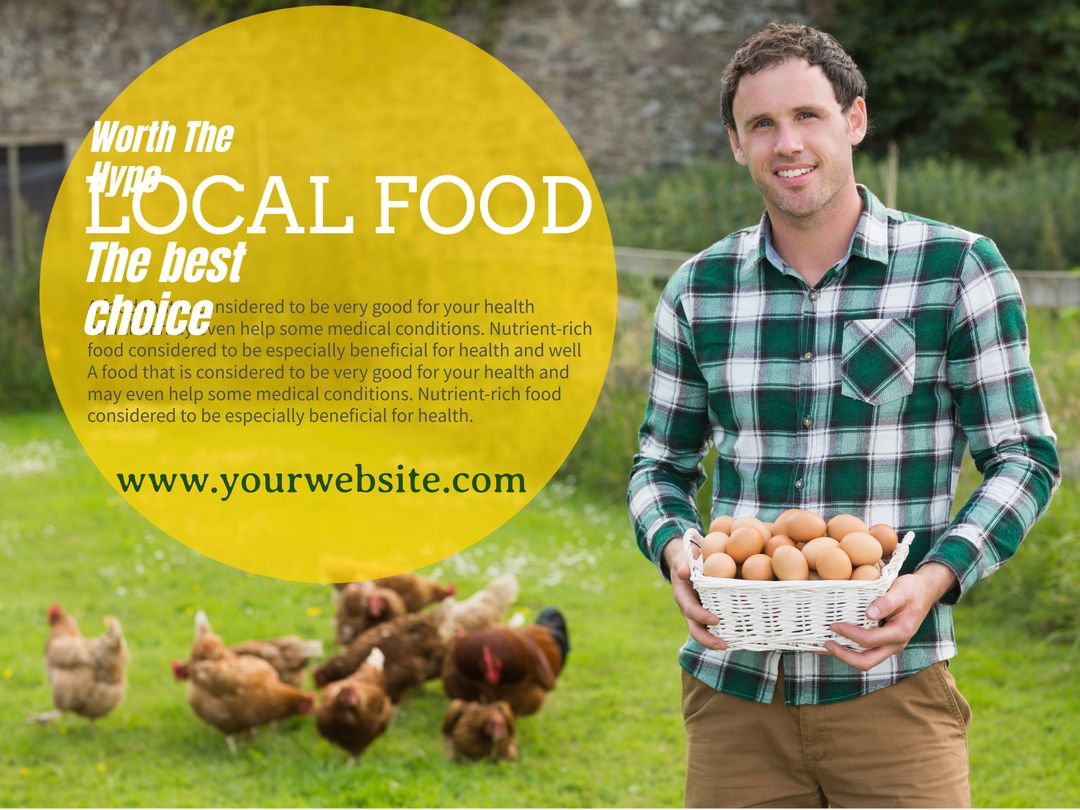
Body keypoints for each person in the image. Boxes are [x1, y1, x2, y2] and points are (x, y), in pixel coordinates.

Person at [627, 22, 1060, 808]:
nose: (787, 143)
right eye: (762, 124)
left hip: (893, 688)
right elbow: (660, 464)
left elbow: (1025, 457)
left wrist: (934, 579)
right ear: (736, 144)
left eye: (807, 115)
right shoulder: (699, 289)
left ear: (854, 119)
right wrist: (675, 551)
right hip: (735, 698)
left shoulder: (955, 269)